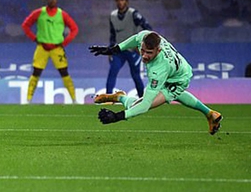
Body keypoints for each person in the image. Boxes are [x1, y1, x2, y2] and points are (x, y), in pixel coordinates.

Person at [89, 30, 223, 135]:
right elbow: (135, 39)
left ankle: (120, 97)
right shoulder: (146, 36)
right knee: (176, 96)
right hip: (179, 68)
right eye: (142, 50)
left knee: (135, 106)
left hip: (177, 79)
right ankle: (210, 113)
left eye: (149, 53)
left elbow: (145, 105)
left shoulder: (158, 70)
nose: (144, 56)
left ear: (158, 50)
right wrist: (114, 50)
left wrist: (117, 117)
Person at [22, 0, 79, 103]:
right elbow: (25, 25)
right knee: (36, 73)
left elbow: (74, 29)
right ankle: (28, 100)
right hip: (42, 47)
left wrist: (65, 42)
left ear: (57, 0)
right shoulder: (39, 13)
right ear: (47, 0)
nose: (52, 0)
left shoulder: (62, 14)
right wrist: (34, 38)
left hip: (57, 49)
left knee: (64, 73)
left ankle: (74, 99)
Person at [105, 0, 152, 96]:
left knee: (135, 75)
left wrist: (141, 44)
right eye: (118, 0)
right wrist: (110, 49)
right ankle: (108, 98)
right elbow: (113, 34)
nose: (120, 2)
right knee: (112, 72)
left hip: (133, 50)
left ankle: (142, 99)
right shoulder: (112, 16)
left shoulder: (133, 14)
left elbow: (148, 28)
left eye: (122, 0)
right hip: (119, 50)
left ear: (126, 2)